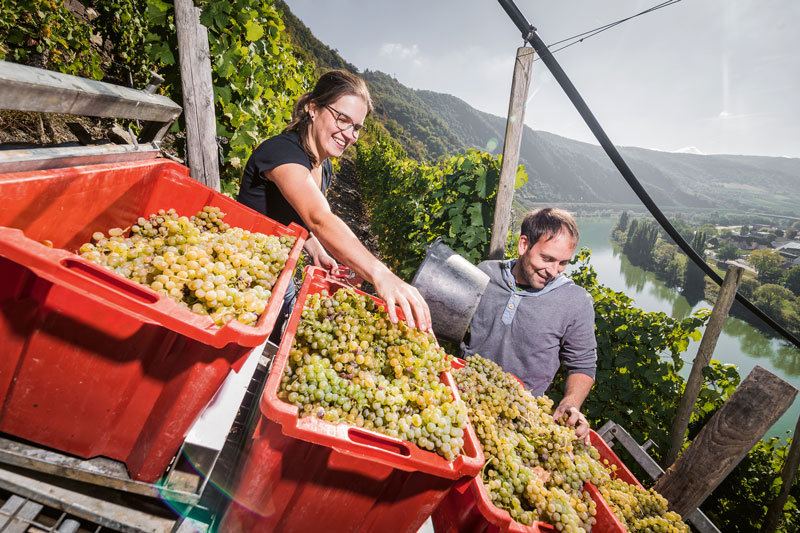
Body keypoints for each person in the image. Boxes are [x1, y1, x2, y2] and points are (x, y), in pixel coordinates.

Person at [237, 69, 431, 338]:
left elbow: (292, 215)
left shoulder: (324, 164)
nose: (350, 134)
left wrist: (316, 249)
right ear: (313, 108)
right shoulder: (282, 153)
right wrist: (381, 273)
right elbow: (318, 217)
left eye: (357, 127)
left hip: (278, 275)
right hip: (242, 279)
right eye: (342, 119)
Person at [461, 208, 597, 443]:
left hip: (517, 421)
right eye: (547, 259)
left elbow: (583, 365)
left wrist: (570, 403)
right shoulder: (485, 274)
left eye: (563, 263)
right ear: (524, 245)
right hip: (462, 395)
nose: (553, 271)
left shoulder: (576, 302)